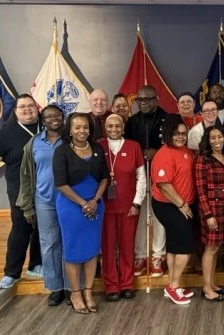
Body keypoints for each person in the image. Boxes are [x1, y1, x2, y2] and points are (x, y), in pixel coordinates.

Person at [0, 94, 43, 289]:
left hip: (46, 188)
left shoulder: (48, 127)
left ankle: (36, 265)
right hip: (19, 190)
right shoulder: (6, 133)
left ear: (37, 107)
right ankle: (12, 273)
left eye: (30, 106)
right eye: (22, 107)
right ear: (15, 111)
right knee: (21, 228)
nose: (27, 109)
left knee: (43, 227)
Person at [53, 112, 110, 313]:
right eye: (77, 127)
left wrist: (95, 200)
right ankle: (75, 293)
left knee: (92, 250)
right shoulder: (61, 151)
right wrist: (83, 203)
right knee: (74, 251)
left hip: (95, 205)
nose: (82, 131)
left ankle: (88, 291)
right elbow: (60, 184)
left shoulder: (97, 148)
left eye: (85, 127)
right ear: (69, 129)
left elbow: (104, 178)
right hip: (71, 207)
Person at [16, 105, 67, 305]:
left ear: (63, 117)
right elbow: (26, 176)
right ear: (42, 120)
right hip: (44, 201)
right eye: (48, 116)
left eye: (57, 115)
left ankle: (72, 287)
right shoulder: (34, 143)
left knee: (68, 243)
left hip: (69, 200)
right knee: (49, 244)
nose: (53, 118)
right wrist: (27, 206)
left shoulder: (71, 139)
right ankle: (56, 287)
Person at [97, 114, 146, 301]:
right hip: (105, 207)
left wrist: (136, 203)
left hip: (128, 207)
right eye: (110, 126)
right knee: (107, 248)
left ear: (123, 127)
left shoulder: (134, 147)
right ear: (105, 128)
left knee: (127, 246)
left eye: (118, 126)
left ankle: (126, 283)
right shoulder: (99, 146)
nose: (114, 129)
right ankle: (111, 286)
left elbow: (141, 178)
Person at [150, 116, 196, 305]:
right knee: (186, 245)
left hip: (181, 205)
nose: (180, 137)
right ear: (168, 134)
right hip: (170, 205)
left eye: (183, 134)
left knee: (175, 245)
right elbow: (163, 185)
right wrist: (181, 205)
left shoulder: (185, 151)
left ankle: (172, 285)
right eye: (176, 134)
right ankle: (174, 286)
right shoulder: (164, 154)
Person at [125, 85, 169, 277]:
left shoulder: (167, 119)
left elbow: (174, 145)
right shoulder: (132, 121)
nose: (143, 103)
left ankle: (158, 255)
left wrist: (156, 153)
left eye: (147, 99)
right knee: (141, 216)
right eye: (139, 100)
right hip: (139, 176)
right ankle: (140, 255)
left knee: (159, 215)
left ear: (156, 99)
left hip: (161, 175)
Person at [196, 125, 224, 302]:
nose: (217, 140)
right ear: (207, 140)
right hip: (211, 210)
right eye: (213, 138)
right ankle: (206, 289)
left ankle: (212, 284)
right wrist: (208, 214)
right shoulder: (203, 159)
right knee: (210, 248)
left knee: (216, 247)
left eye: (220, 136)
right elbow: (200, 190)